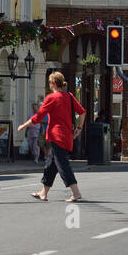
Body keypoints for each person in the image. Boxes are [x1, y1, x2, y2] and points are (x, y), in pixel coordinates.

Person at [18, 71, 85, 202]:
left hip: (56, 136)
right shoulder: (70, 96)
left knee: (63, 164)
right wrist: (79, 129)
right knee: (51, 164)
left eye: (49, 82)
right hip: (66, 136)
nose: (49, 84)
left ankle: (76, 192)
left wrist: (23, 126)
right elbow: (82, 112)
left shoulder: (51, 98)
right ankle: (44, 192)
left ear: (53, 83)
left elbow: (38, 117)